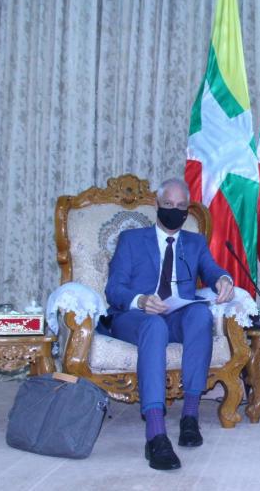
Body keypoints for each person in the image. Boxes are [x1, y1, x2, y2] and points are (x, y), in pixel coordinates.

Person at [104, 177, 234, 471]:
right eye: (168, 204)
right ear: (156, 204)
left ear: (187, 209)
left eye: (180, 206)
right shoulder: (132, 240)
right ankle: (156, 435)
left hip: (176, 314)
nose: (174, 211)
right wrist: (140, 300)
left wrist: (223, 280)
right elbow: (114, 289)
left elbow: (212, 270)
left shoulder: (195, 242)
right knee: (155, 326)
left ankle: (190, 417)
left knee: (200, 314)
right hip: (135, 318)